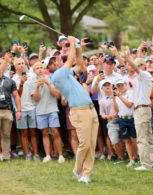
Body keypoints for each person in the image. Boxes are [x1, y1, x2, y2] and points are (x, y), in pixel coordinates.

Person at [51, 36, 98, 184]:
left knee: (91, 144)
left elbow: (78, 63)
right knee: (84, 143)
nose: (61, 60)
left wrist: (77, 46)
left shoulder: (68, 74)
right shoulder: (58, 76)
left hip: (90, 110)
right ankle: (77, 169)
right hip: (79, 111)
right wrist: (71, 42)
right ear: (51, 66)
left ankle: (86, 174)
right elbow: (71, 60)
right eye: (57, 60)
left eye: (60, 58)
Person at [123, 47, 153, 171]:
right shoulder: (141, 78)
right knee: (148, 137)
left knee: (142, 138)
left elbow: (136, 68)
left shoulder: (144, 75)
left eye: (135, 66)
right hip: (143, 109)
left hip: (142, 110)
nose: (132, 68)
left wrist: (128, 57)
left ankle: (146, 164)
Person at [30, 61, 65, 163]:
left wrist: (48, 84)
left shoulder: (50, 78)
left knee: (55, 132)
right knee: (44, 133)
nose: (40, 69)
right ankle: (48, 155)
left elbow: (56, 94)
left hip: (52, 109)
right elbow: (35, 99)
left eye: (41, 67)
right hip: (40, 110)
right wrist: (37, 87)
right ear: (34, 71)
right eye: (37, 68)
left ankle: (61, 155)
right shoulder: (32, 81)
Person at [12, 57, 40, 161]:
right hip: (20, 109)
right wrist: (22, 83)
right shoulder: (13, 79)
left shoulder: (31, 77)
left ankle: (36, 154)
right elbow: (17, 95)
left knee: (33, 132)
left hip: (32, 107)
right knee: (23, 133)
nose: (21, 65)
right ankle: (27, 154)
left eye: (23, 63)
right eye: (19, 64)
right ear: (15, 67)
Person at [113, 78, 139, 167]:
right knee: (127, 140)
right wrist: (114, 98)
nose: (120, 87)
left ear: (125, 84)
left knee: (134, 139)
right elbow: (116, 110)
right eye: (118, 86)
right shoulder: (117, 96)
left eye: (122, 85)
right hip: (122, 119)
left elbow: (129, 104)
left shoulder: (131, 93)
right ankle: (131, 159)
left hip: (131, 118)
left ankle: (136, 157)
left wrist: (119, 96)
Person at [99, 80, 124, 162]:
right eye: (105, 85)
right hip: (111, 123)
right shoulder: (102, 101)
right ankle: (120, 157)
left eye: (108, 84)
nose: (107, 86)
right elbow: (102, 114)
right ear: (102, 88)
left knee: (126, 140)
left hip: (121, 120)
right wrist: (107, 116)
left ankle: (127, 156)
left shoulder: (119, 96)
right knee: (115, 141)